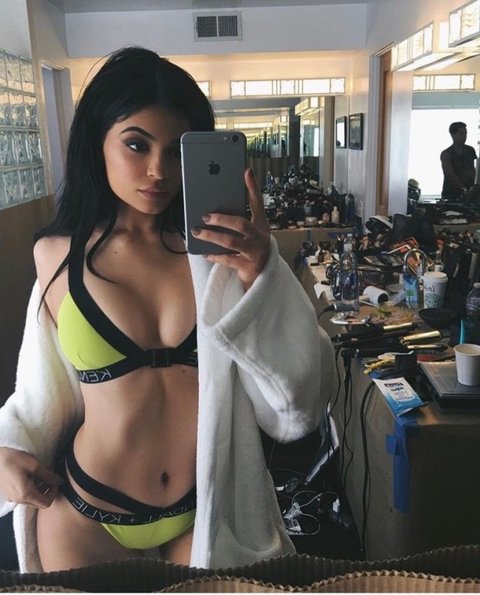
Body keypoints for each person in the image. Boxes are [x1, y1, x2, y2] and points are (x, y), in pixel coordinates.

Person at [0, 47, 334, 573]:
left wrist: (262, 276)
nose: (158, 170)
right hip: (84, 513)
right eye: (136, 144)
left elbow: (299, 405)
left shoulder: (226, 258)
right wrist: (2, 454)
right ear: (97, 141)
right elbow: (41, 399)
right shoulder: (56, 257)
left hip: (207, 510)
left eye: (178, 151)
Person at [440, 121, 477, 200]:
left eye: (465, 134)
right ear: (452, 135)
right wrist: (464, 189)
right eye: (461, 134)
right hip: (451, 194)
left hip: (469, 193)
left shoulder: (470, 150)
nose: (464, 137)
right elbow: (449, 174)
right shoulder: (446, 154)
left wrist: (473, 188)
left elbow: (473, 170)